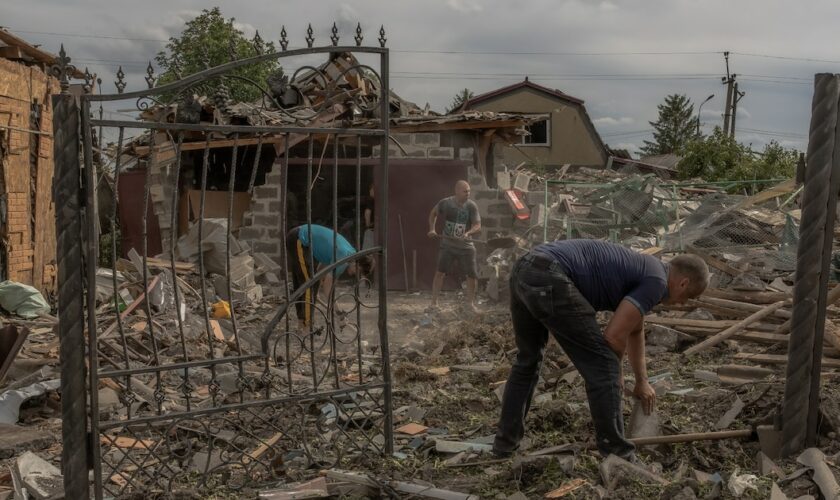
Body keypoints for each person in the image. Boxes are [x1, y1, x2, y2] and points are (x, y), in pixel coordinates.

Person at [493, 239, 709, 460]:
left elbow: (635, 330)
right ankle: (618, 455)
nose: (682, 305)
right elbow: (614, 336)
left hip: (525, 269)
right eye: (688, 298)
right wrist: (615, 375)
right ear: (683, 283)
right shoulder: (656, 282)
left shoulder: (649, 268)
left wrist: (641, 381)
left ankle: (504, 446)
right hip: (552, 274)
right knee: (604, 366)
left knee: (528, 360)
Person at [286, 224, 373, 327]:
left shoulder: (349, 253)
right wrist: (338, 312)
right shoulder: (343, 258)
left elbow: (322, 269)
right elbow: (328, 289)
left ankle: (302, 323)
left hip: (299, 236)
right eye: (358, 271)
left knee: (305, 284)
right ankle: (306, 326)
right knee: (309, 284)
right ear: (357, 263)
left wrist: (316, 291)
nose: (355, 274)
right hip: (299, 238)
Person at [427, 180, 481, 313]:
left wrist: (469, 233)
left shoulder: (471, 206)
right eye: (465, 191)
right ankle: (434, 303)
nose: (468, 194)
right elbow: (433, 213)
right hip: (448, 244)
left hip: (466, 246)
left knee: (472, 275)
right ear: (457, 191)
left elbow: (477, 225)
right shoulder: (446, 203)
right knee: (440, 273)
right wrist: (432, 229)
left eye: (469, 191)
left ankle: (470, 305)